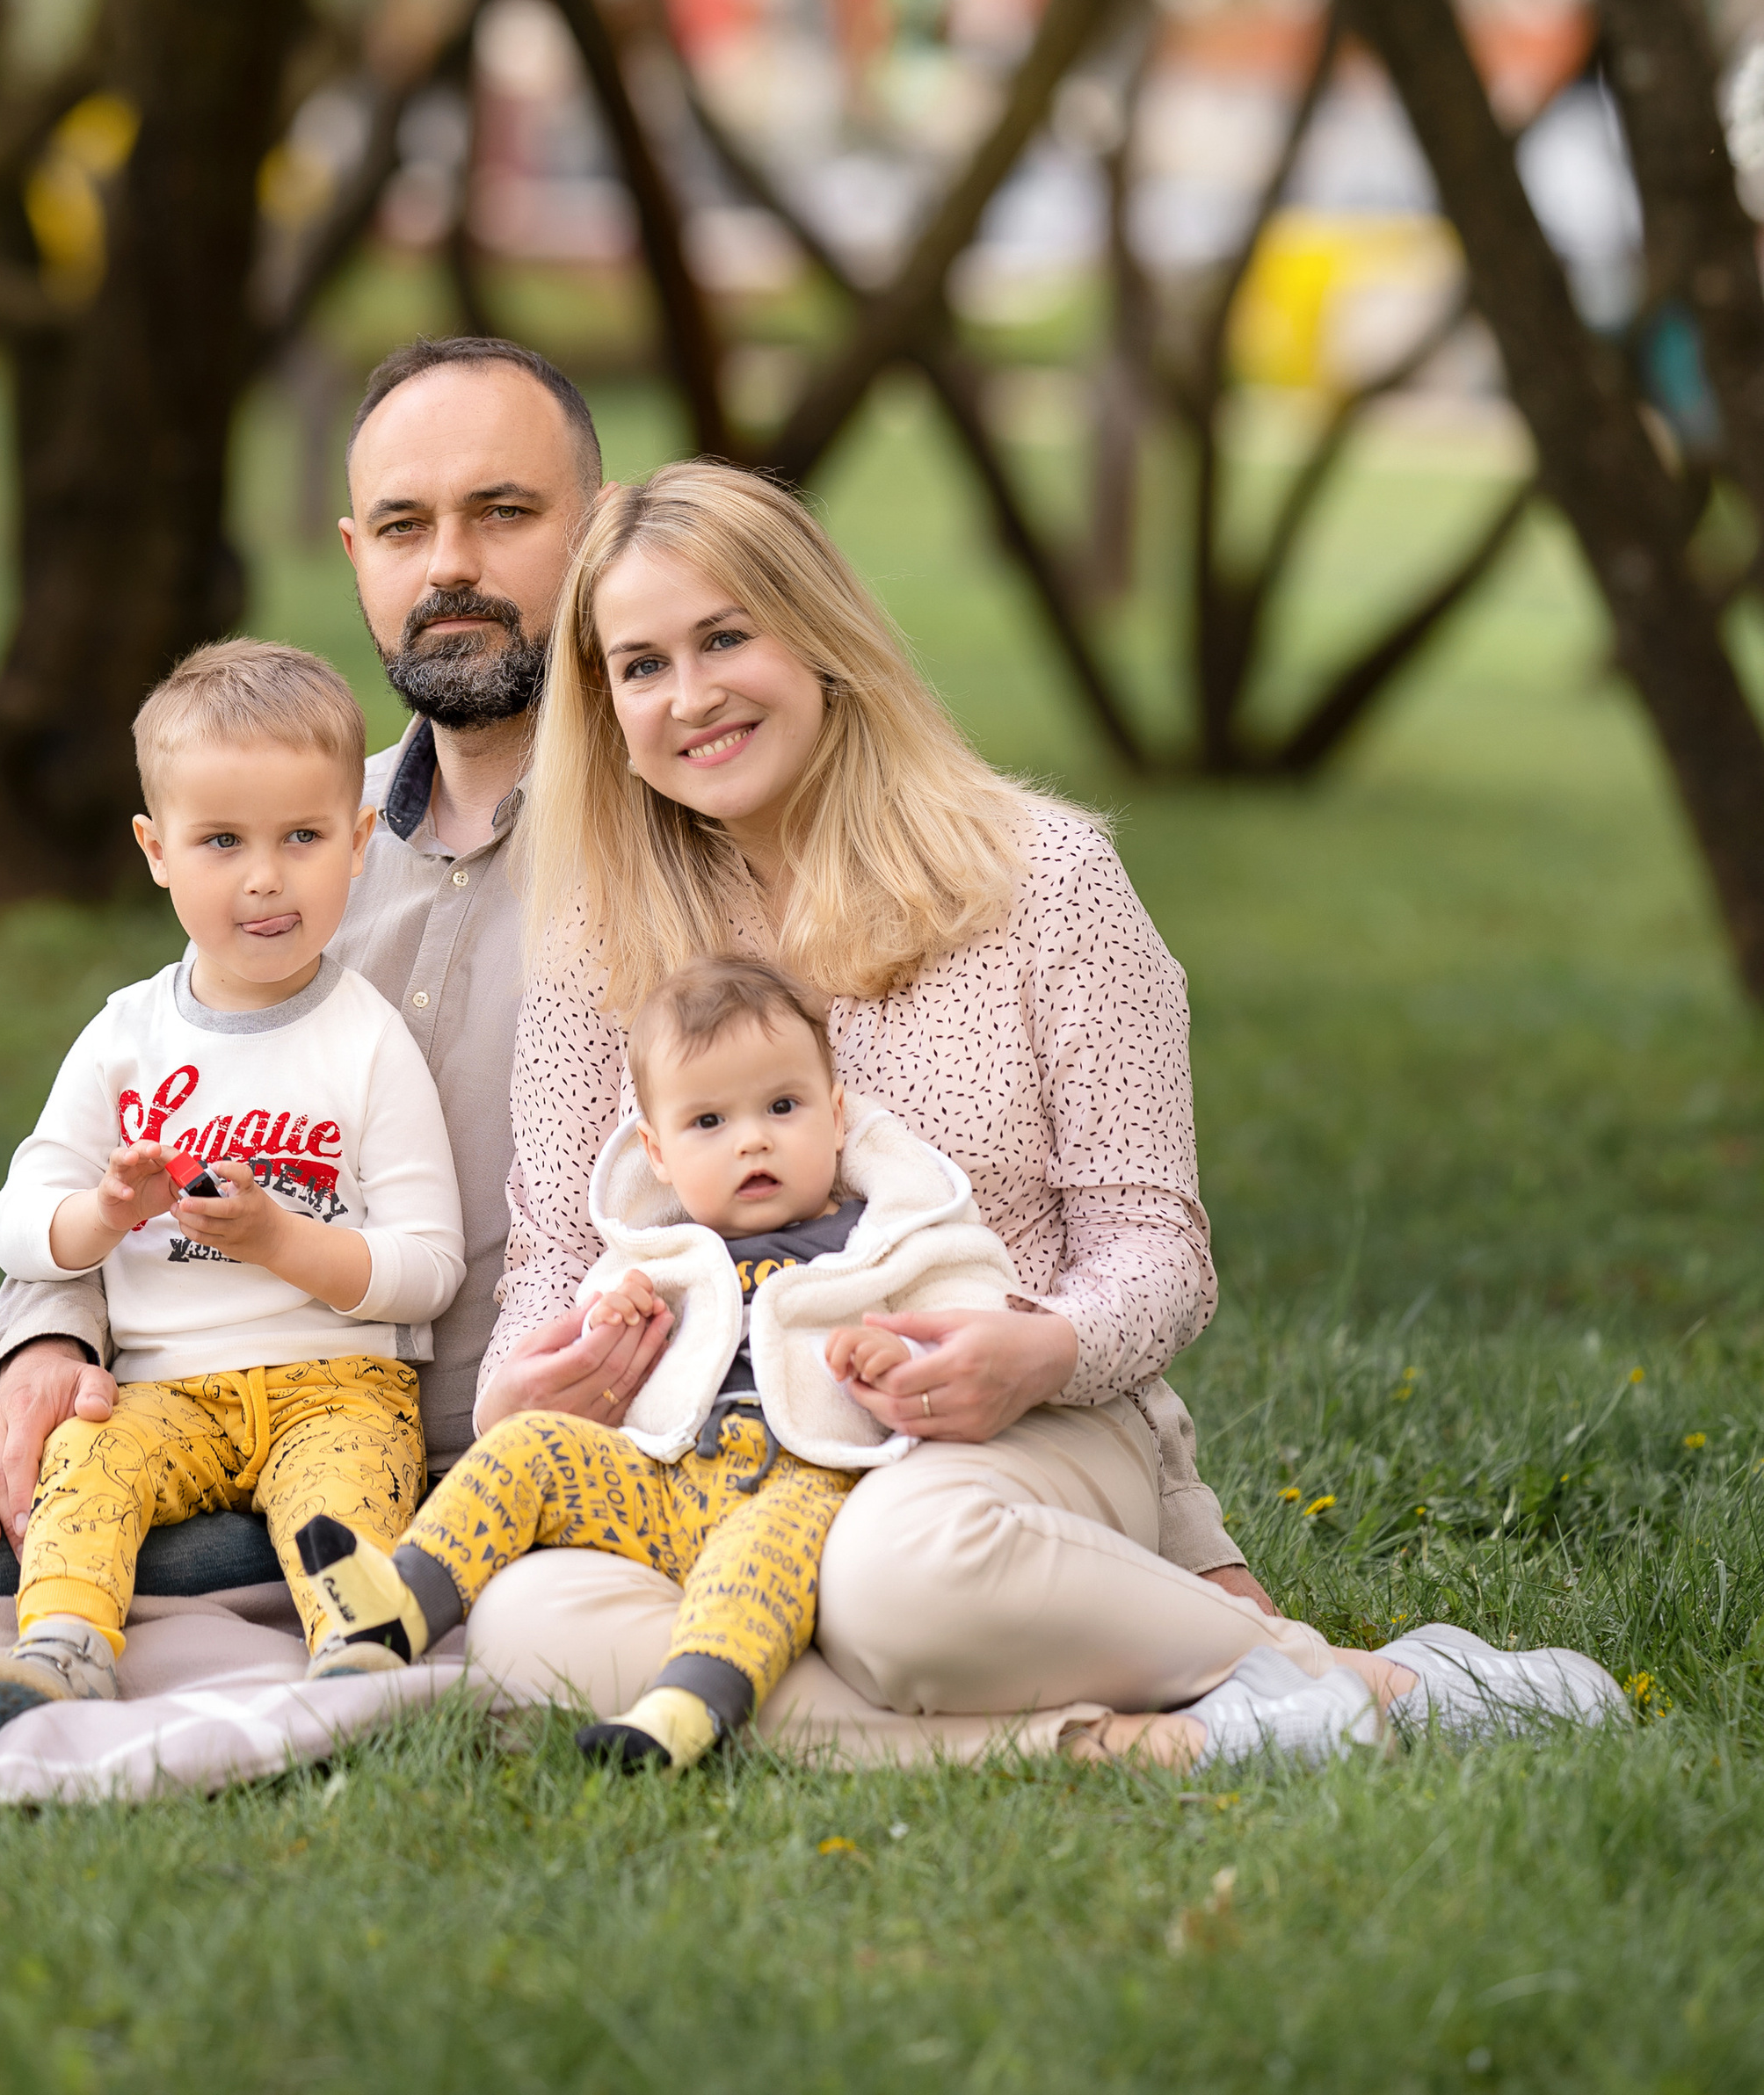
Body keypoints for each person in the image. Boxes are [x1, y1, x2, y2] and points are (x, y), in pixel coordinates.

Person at [0, 332, 1257, 1635]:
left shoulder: (682, 849)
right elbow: (135, 1100)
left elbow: (947, 1186)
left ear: (599, 523)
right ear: (355, 555)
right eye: (408, 528)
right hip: (193, 1337)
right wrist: (48, 1348)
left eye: (506, 513)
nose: (456, 567)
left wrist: (1178, 1516)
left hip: (434, 1422)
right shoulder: (302, 831)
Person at [455, 458, 1622, 1758]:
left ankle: (1350, 1679)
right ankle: (1163, 1736)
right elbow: (557, 1247)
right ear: (604, 705)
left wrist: (1041, 1351)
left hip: (1012, 1444)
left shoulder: (1043, 881)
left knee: (894, 1581)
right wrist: (529, 1387)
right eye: (643, 665)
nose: (694, 695)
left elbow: (1158, 1250)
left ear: (822, 638)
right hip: (710, 1461)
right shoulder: (596, 941)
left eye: (727, 636)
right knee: (527, 1624)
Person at [299, 953, 1376, 1772]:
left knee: (758, 1567)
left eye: (782, 1108)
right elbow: (574, 1320)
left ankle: (693, 1702)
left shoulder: (883, 1236)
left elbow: (965, 1299)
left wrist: (902, 1348)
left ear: (837, 1114)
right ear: (660, 1155)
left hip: (818, 1486)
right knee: (525, 1549)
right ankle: (397, 1606)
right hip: (669, 1486)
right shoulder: (659, 1250)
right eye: (711, 1122)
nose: (754, 1142)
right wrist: (594, 1337)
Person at [0, 638, 463, 1728]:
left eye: (303, 838)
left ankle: (360, 1649)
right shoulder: (125, 1037)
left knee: (347, 1493)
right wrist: (105, 1214)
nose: (265, 877)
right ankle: (67, 1644)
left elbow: (428, 1268)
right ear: (155, 850)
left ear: (359, 843)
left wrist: (281, 1243)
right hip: (157, 1388)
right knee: (87, 1465)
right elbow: (18, 1223)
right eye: (221, 841)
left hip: (339, 1382)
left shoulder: (367, 1043)